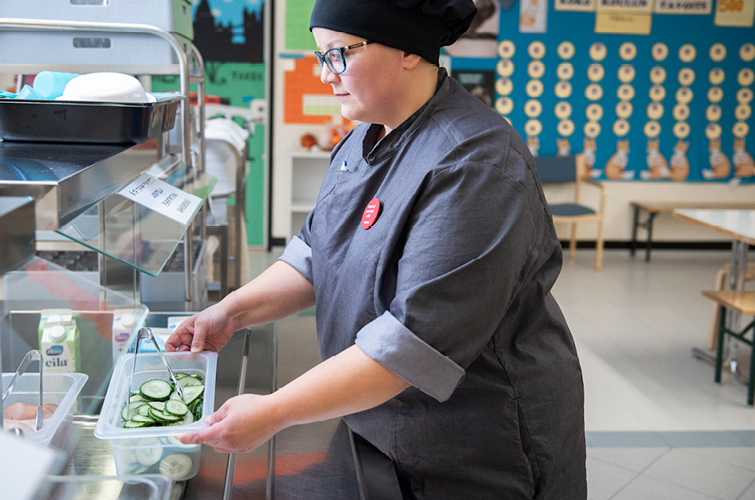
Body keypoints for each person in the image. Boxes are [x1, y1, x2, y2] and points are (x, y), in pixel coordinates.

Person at [165, 0, 587, 498]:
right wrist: (232, 312)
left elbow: (413, 345)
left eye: (338, 55)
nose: (325, 75)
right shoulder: (365, 137)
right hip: (383, 419)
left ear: (408, 50)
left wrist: (274, 411)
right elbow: (314, 253)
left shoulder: (475, 165)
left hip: (477, 444)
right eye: (320, 57)